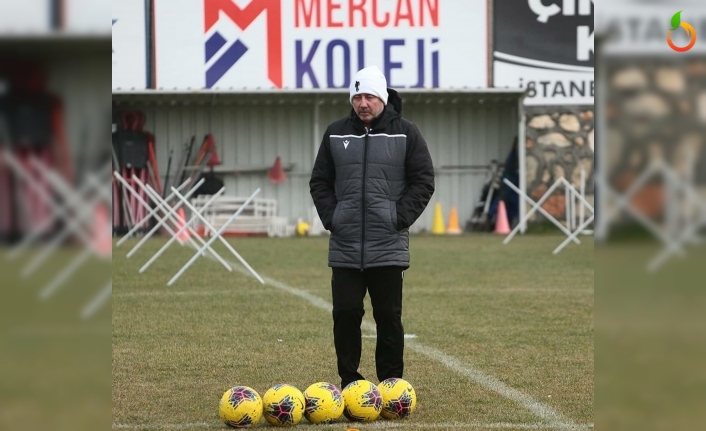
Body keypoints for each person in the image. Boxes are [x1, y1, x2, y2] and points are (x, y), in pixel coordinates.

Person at [309, 65, 435, 389]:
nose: (362, 103)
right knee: (346, 314)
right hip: (346, 246)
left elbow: (423, 181)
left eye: (369, 96)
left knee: (388, 317)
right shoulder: (335, 133)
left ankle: (392, 383)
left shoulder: (407, 133)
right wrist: (333, 217)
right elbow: (319, 181)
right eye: (357, 96)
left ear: (382, 97)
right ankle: (350, 381)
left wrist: (398, 218)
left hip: (388, 246)